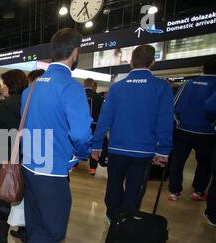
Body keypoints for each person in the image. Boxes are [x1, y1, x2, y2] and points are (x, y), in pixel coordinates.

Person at [0, 28, 93, 243]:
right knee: (55, 230)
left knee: (37, 225)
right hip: (52, 172)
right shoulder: (71, 87)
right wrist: (82, 154)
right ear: (75, 52)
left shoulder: (32, 87)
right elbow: (82, 133)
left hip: (29, 168)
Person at [91, 45, 174, 224]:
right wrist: (163, 150)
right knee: (135, 189)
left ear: (130, 62)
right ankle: (127, 219)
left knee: (113, 185)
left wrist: (97, 145)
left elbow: (105, 119)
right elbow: (165, 121)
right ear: (152, 62)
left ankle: (112, 215)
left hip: (116, 149)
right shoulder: (162, 87)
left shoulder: (117, 88)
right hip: (143, 152)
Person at [0, 69, 28, 243]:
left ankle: (2, 237)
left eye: (4, 84)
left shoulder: (6, 105)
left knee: (4, 195)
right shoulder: (29, 102)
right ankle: (24, 231)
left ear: (10, 86)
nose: (2, 88)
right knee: (24, 195)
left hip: (6, 157)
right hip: (28, 157)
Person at [168, 58, 216, 201]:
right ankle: (198, 191)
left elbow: (173, 106)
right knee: (204, 163)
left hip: (183, 130)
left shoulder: (186, 84)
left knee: (178, 162)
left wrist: (178, 122)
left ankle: (174, 191)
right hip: (207, 132)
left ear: (202, 68)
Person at [84, 78, 104, 175]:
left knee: (76, 144)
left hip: (79, 125)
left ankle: (75, 164)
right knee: (93, 145)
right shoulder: (99, 97)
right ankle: (92, 168)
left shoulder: (77, 94)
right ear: (93, 85)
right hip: (94, 125)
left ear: (84, 84)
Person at [203, 90, 216, 226]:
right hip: (205, 134)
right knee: (204, 162)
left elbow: (210, 106)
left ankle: (213, 215)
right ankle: (199, 190)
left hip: (186, 131)